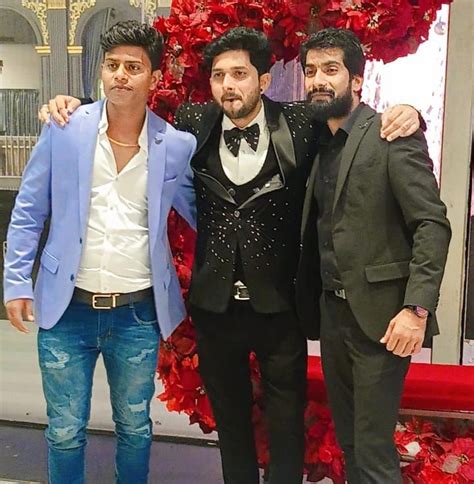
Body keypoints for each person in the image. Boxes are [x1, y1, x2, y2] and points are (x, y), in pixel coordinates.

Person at [38, 27, 420, 484]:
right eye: (219, 76)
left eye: (240, 74)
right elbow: (131, 110)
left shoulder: (301, 122)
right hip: (215, 307)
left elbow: (352, 119)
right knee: (232, 427)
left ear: (263, 80)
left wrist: (409, 111)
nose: (228, 85)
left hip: (280, 307)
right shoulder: (193, 121)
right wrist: (76, 103)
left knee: (286, 426)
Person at [3, 20, 196, 484]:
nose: (120, 75)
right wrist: (15, 281)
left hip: (137, 312)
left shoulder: (175, 146)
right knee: (64, 430)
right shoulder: (65, 128)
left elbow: (204, 216)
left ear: (154, 76)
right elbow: (29, 209)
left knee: (135, 427)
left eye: (133, 66)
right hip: (67, 309)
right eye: (112, 65)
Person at [296, 28, 451, 483]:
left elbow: (432, 224)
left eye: (331, 69)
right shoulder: (316, 138)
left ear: (357, 80)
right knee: (349, 444)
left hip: (384, 320)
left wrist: (416, 308)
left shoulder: (389, 134)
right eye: (310, 71)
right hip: (332, 315)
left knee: (373, 449)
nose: (318, 80)